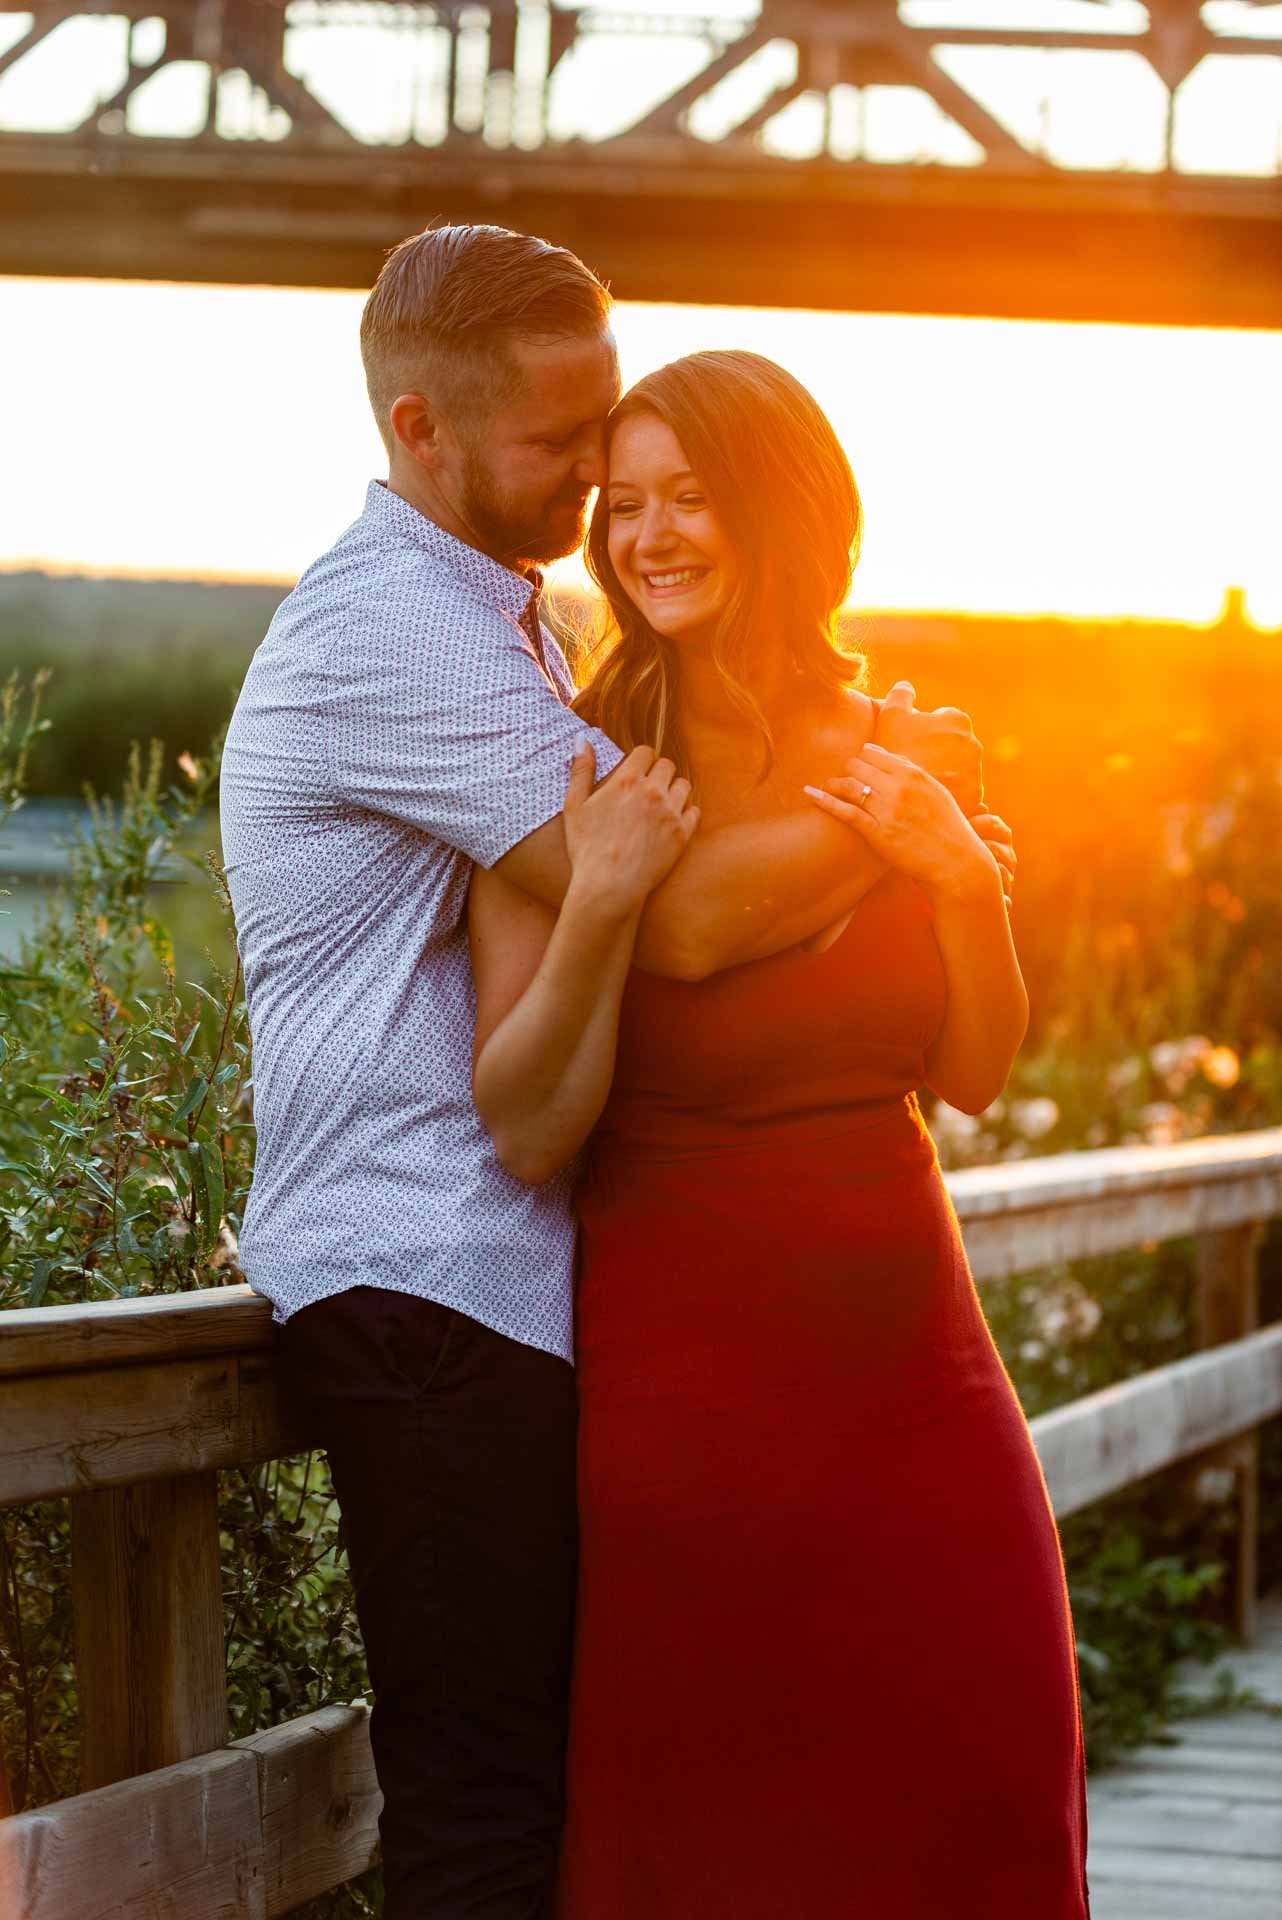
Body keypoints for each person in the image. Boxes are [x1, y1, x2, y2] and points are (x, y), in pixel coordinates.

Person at [220, 223, 991, 1920]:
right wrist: (900, 798)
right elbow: (692, 920)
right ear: (419, 429)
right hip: (428, 1280)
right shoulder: (399, 636)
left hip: (493, 1283)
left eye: (607, 430)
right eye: (561, 440)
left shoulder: (506, 627)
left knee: (547, 1795)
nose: (594, 476)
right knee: (485, 1815)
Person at [468, 350, 1090, 1917]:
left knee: (966, 1809)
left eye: (690, 498)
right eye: (624, 505)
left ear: (782, 511)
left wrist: (965, 886)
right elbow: (594, 1029)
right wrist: (650, 882)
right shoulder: (569, 761)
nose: (647, 536)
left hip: (917, 1386)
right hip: (689, 1401)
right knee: (721, 1835)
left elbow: (971, 1067)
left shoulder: (896, 741)